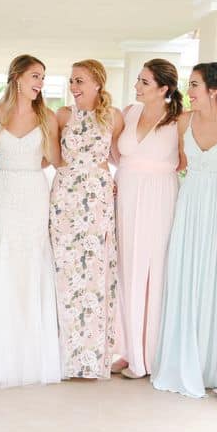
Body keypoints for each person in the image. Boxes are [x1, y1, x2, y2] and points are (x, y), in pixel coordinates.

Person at [151, 62, 217, 397]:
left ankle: (212, 364)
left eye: (194, 84)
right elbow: (175, 160)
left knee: (215, 278)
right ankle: (182, 359)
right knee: (184, 274)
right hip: (189, 203)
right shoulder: (182, 121)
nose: (188, 91)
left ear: (214, 89)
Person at [0, 54, 62, 388]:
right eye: (35, 76)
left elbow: (55, 160)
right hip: (3, 190)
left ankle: (31, 352)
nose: (40, 83)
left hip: (35, 191)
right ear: (17, 78)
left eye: (42, 78)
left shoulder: (48, 117)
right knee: (1, 259)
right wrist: (7, 170)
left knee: (30, 260)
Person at [49, 59, 123, 379]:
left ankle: (91, 358)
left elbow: (117, 158)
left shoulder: (114, 117)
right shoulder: (61, 115)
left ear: (97, 83)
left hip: (98, 199)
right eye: (71, 81)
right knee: (65, 274)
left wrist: (119, 182)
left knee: (93, 276)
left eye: (79, 81)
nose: (73, 87)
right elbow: (51, 157)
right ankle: (62, 358)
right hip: (65, 197)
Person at [112, 58, 183, 380]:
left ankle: (150, 353)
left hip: (160, 195)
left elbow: (188, 159)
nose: (137, 87)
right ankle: (126, 350)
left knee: (153, 268)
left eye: (144, 82)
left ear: (164, 89)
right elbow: (114, 153)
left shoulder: (180, 118)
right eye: (138, 80)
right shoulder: (128, 112)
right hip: (126, 191)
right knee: (126, 268)